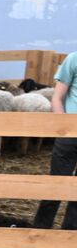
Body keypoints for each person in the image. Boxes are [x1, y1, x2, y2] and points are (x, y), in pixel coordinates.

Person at [34, 49, 77, 230]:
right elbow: (57, 97)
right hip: (69, 133)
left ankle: (70, 237)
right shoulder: (74, 58)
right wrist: (62, 125)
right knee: (57, 183)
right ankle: (39, 235)